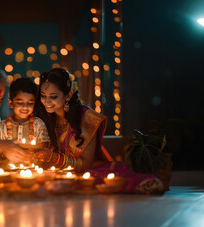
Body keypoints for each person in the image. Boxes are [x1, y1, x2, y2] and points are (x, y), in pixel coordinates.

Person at [34, 68, 164, 194]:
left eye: (53, 96)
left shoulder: (86, 118)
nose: (47, 102)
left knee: (99, 179)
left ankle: (145, 184)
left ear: (67, 95)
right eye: (43, 96)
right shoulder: (43, 120)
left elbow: (86, 164)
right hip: (58, 174)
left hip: (87, 171)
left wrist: (54, 158)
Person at [0, 78, 50, 170]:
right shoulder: (1, 127)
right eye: (20, 102)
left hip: (33, 171)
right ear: (11, 103)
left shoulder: (38, 124)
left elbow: (43, 149)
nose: (25, 107)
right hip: (6, 172)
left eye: (30, 103)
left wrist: (16, 147)